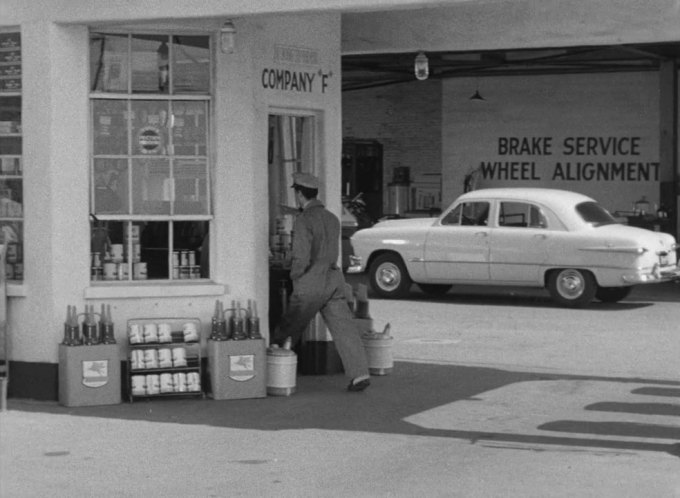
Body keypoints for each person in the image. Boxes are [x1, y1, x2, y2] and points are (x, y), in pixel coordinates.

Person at [273, 172, 371, 392]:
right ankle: (360, 374)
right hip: (334, 279)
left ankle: (273, 372)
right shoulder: (331, 217)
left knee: (290, 326)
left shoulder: (304, 220)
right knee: (344, 328)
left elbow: (301, 256)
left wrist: (296, 276)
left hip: (311, 280)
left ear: (298, 194)